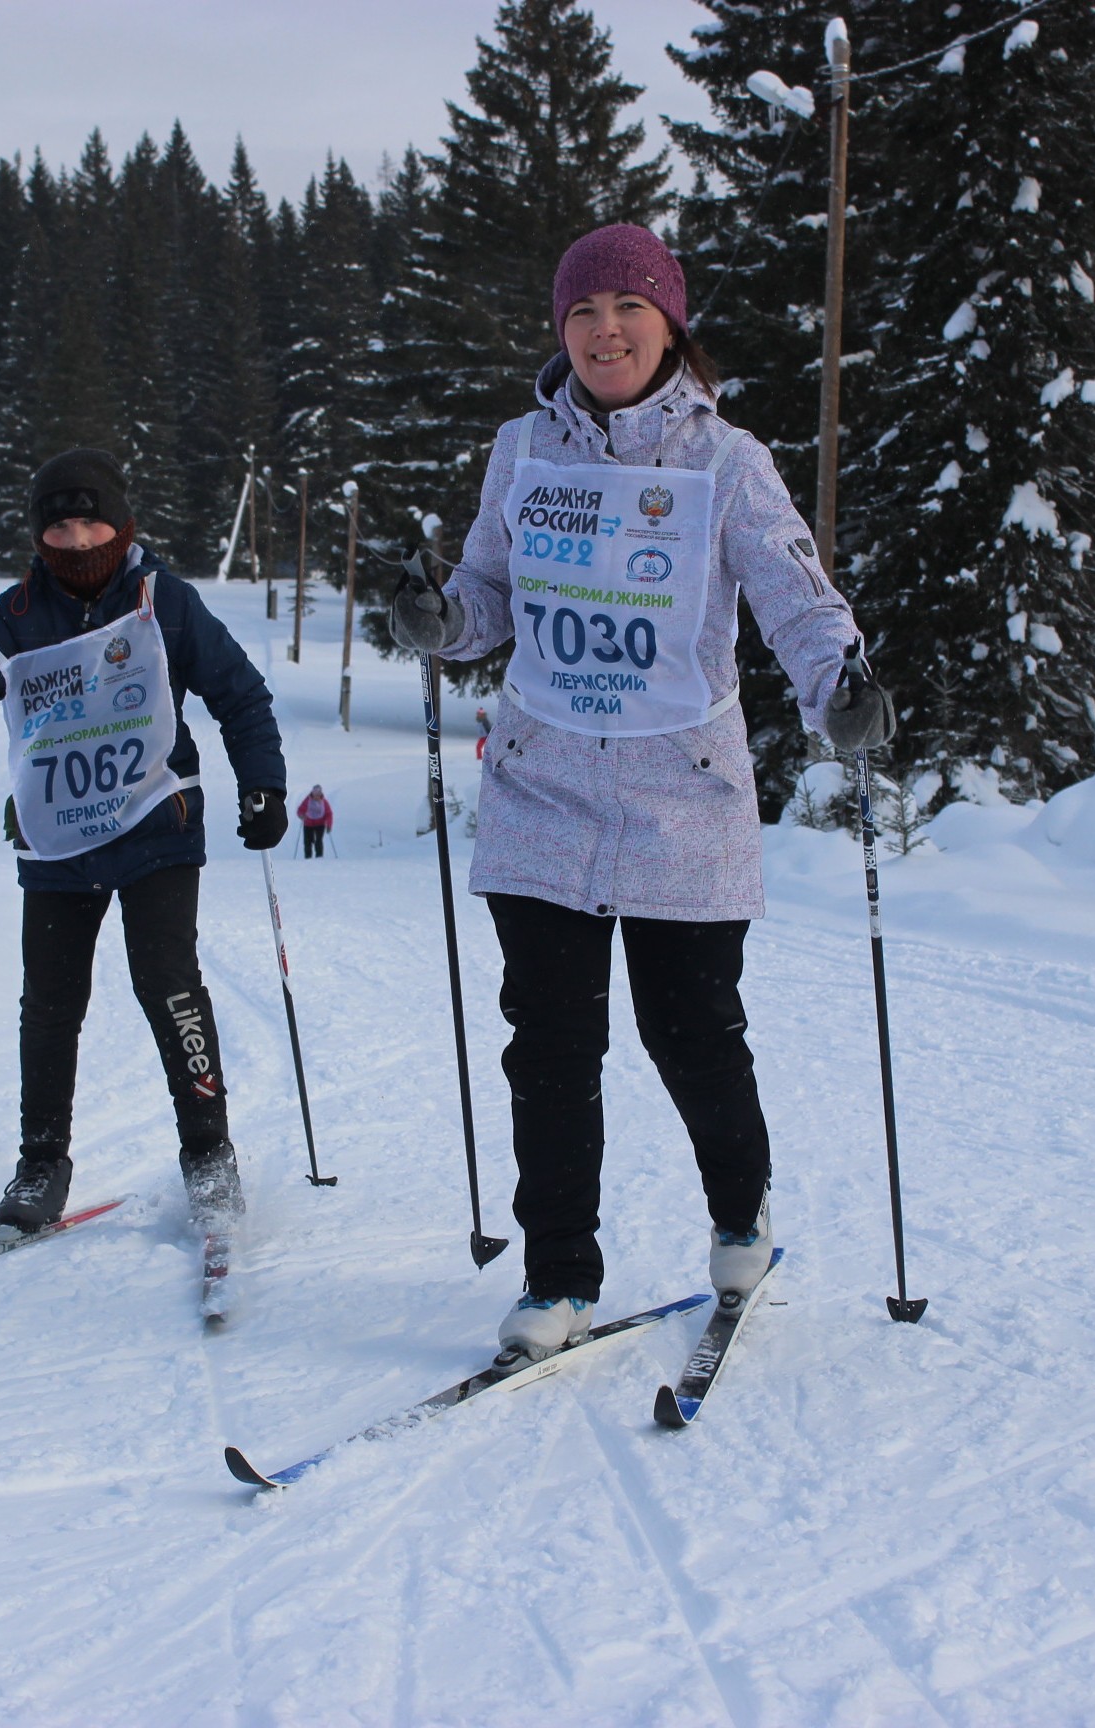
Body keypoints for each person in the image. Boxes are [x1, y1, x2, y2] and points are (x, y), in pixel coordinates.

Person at [389, 225, 894, 1360]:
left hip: (682, 792)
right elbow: (484, 597)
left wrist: (838, 686)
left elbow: (793, 595)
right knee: (550, 1046)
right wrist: (440, 620)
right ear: (558, 332)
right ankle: (558, 1278)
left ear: (668, 323)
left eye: (626, 306)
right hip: (541, 787)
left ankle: (740, 1216)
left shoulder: (725, 461)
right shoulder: (521, 448)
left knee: (691, 1033)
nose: (602, 330)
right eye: (580, 312)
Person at [0, 448, 288, 1232]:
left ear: (122, 522)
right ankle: (42, 1163)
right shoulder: (19, 615)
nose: (76, 540)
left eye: (91, 520)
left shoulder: (161, 601)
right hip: (59, 837)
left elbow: (238, 694)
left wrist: (264, 782)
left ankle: (209, 1161)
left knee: (167, 981)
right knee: (49, 1003)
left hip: (155, 822)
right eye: (60, 526)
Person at [295, 784, 332, 858]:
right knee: (307, 842)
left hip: (320, 824)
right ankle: (307, 858)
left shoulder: (324, 802)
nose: (317, 796)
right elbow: (300, 810)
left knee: (318, 841)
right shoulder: (307, 800)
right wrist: (301, 815)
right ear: (312, 793)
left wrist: (329, 825)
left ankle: (319, 857)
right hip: (308, 824)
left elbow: (329, 814)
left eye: (318, 793)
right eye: (315, 793)